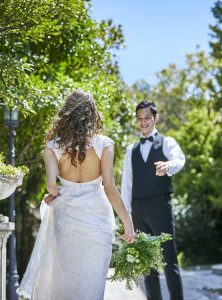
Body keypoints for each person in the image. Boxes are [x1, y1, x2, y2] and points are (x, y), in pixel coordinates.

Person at [17, 90, 135, 300]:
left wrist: (54, 195)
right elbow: (109, 188)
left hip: (66, 219)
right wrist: (127, 221)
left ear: (66, 113)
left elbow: (51, 185)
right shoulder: (104, 144)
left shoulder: (52, 147)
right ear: (92, 113)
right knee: (92, 282)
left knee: (65, 279)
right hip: (97, 217)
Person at [121, 100, 185, 300]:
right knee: (148, 265)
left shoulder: (167, 142)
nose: (143, 121)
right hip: (138, 209)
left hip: (160, 206)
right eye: (139, 118)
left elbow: (179, 159)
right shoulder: (131, 149)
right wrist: (126, 220)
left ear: (155, 118)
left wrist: (169, 166)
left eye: (147, 117)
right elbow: (126, 185)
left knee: (169, 261)